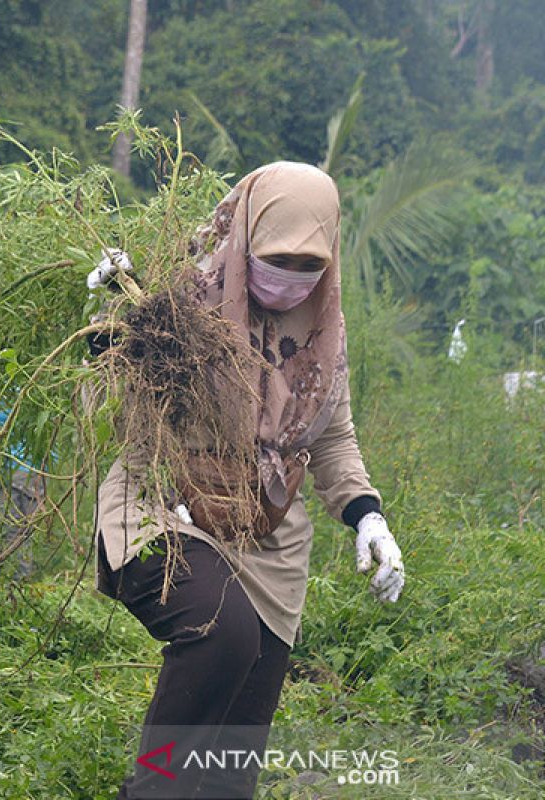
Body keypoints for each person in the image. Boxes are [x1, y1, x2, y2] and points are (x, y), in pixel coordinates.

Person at [88, 162, 406, 799]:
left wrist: (367, 514)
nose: (290, 277)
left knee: (230, 767)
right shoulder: (182, 295)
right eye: (275, 257)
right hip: (163, 508)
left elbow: (333, 439)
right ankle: (148, 792)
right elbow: (112, 386)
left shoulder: (324, 333)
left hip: (267, 539)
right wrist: (108, 310)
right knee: (219, 631)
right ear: (246, 236)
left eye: (308, 263)